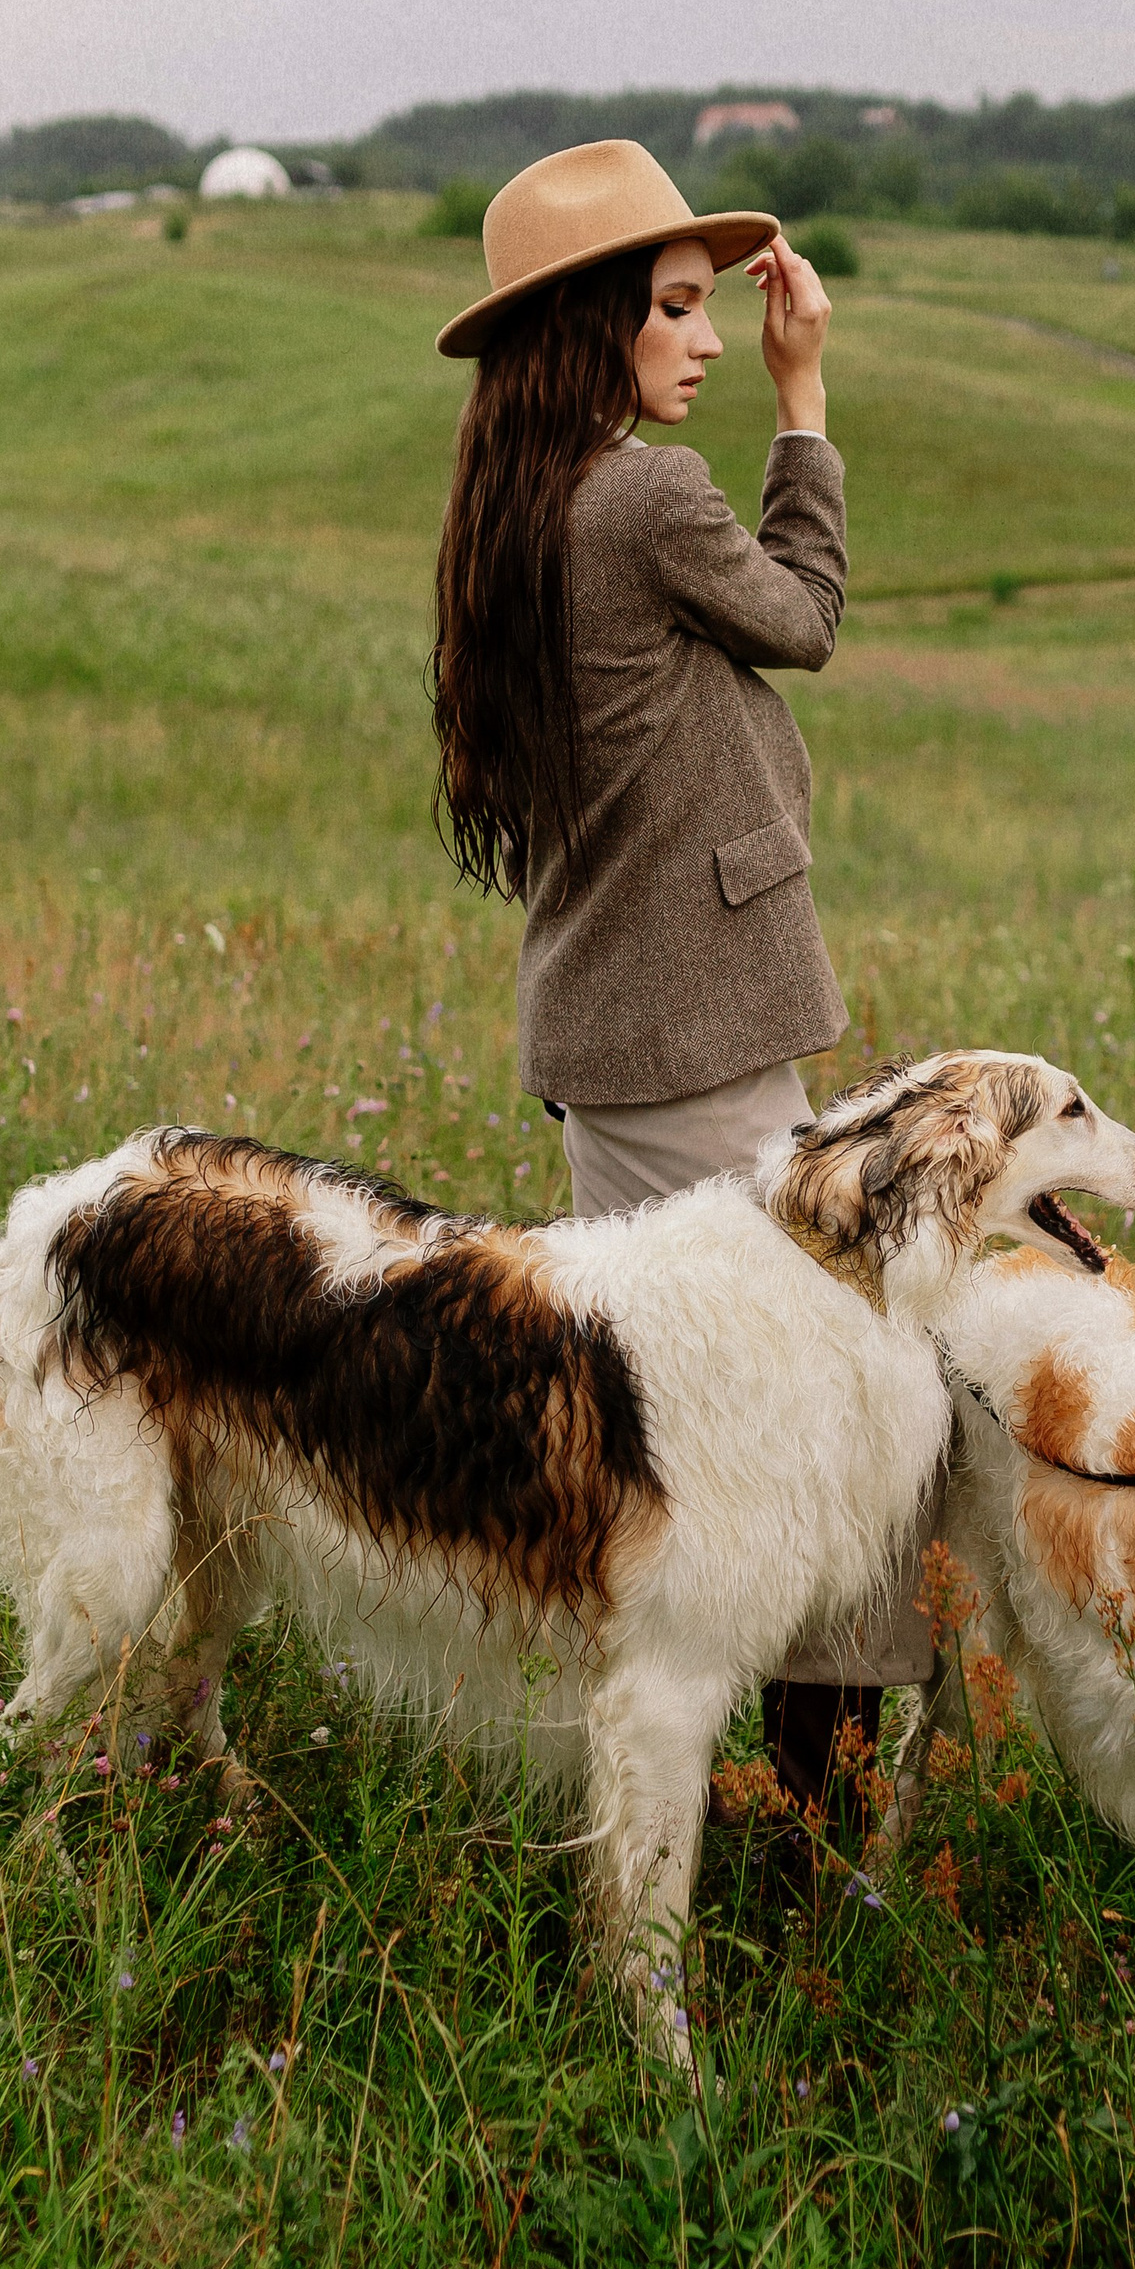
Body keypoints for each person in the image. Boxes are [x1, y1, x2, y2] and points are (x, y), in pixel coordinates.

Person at [430, 140, 932, 1825]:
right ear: (591, 327)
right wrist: (806, 405)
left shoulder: (518, 502)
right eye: (673, 310)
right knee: (826, 1428)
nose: (705, 341)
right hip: (691, 1044)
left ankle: (755, 1796)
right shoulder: (640, 496)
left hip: (624, 1034)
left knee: (705, 1429)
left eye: (713, 309)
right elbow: (806, 620)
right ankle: (815, 1822)